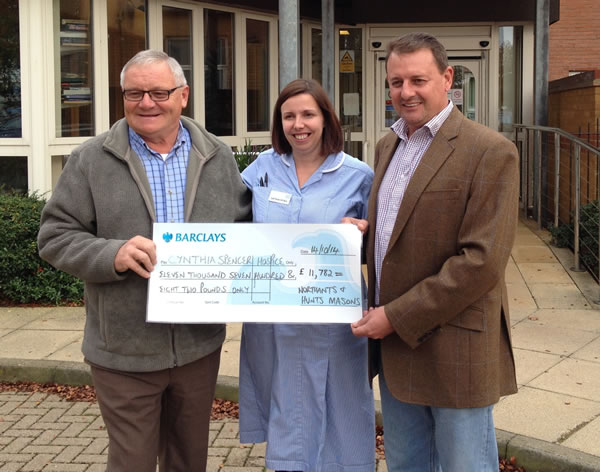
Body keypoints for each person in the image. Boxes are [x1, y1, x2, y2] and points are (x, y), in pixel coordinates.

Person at [37, 49, 251, 472]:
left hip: (197, 346)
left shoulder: (217, 157)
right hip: (124, 350)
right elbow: (54, 236)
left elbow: (245, 231)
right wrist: (111, 253)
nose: (146, 103)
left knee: (189, 461)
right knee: (132, 462)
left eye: (158, 92)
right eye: (134, 93)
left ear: (183, 95)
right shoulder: (90, 160)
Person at [352, 32, 519, 472]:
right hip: (398, 349)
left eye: (417, 80)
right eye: (395, 83)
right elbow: (401, 234)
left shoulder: (490, 151)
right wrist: (360, 237)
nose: (405, 93)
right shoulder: (387, 145)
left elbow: (481, 263)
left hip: (455, 347)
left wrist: (395, 316)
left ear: (447, 78)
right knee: (407, 464)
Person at [238, 78, 375, 472]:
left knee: (343, 409)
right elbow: (233, 226)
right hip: (275, 322)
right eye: (289, 116)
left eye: (308, 114)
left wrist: (363, 236)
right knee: (287, 413)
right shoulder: (261, 170)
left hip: (333, 323)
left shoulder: (358, 175)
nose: (299, 124)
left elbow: (383, 244)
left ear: (326, 119)